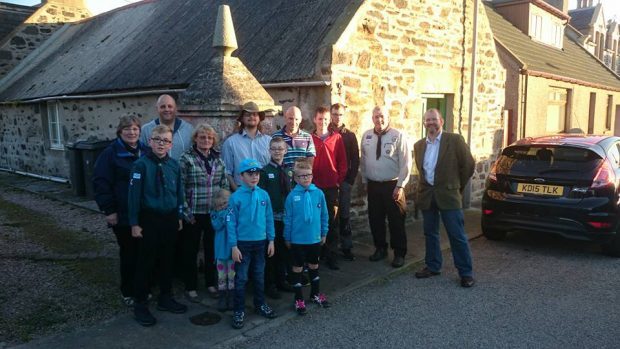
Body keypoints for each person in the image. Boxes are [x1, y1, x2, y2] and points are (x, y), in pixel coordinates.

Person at [128, 125, 187, 326]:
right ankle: (140, 304)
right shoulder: (140, 166)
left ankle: (165, 297)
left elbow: (179, 192)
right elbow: (133, 197)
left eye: (166, 141)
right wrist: (134, 223)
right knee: (146, 262)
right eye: (158, 140)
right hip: (149, 219)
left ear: (171, 144)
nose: (162, 144)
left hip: (169, 218)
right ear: (150, 141)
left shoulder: (174, 165)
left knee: (167, 259)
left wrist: (179, 215)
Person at [413, 108, 476, 288]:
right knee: (430, 233)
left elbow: (468, 166)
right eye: (427, 120)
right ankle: (433, 266)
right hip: (427, 195)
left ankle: (466, 273)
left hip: (449, 195)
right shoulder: (419, 145)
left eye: (434, 119)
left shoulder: (454, 140)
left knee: (457, 235)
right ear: (424, 123)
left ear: (441, 121)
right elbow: (422, 171)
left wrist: (457, 186)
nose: (431, 123)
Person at [93, 114, 149, 307]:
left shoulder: (146, 151)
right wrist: (109, 211)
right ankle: (128, 291)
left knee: (144, 253)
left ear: (140, 132)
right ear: (120, 131)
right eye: (127, 129)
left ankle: (143, 287)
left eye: (135, 129)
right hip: (123, 213)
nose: (131, 132)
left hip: (145, 213)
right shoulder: (111, 154)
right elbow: (101, 183)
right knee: (129, 252)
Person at [179, 124, 229, 302]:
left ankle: (210, 283)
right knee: (190, 251)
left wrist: (222, 207)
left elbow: (223, 185)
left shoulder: (218, 160)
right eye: (202, 137)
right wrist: (185, 212)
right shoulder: (186, 158)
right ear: (195, 139)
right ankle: (190, 286)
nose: (206, 140)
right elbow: (181, 187)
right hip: (193, 213)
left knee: (211, 250)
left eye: (209, 138)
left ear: (213, 140)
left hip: (213, 213)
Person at [227, 158, 277, 329]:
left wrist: (271, 239)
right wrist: (233, 246)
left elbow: (269, 217)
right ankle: (239, 309)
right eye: (250, 173)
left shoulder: (264, 195)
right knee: (241, 278)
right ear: (241, 176)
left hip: (261, 242)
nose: (254, 177)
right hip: (242, 244)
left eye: (256, 173)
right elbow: (231, 223)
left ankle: (260, 304)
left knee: (259, 275)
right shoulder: (235, 198)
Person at [360, 106, 411, 268]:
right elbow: (364, 160)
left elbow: (406, 163)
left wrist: (401, 186)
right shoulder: (366, 135)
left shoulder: (398, 135)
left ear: (388, 117)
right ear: (372, 118)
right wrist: (365, 181)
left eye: (382, 116)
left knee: (396, 221)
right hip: (374, 185)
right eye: (376, 116)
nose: (379, 119)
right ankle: (380, 248)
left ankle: (399, 253)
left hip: (393, 185)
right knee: (375, 219)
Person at [284, 159, 330, 315]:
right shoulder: (292, 196)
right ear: (296, 178)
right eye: (301, 176)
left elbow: (324, 214)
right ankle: (298, 299)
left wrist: (324, 232)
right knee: (297, 268)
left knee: (314, 266)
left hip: (314, 238)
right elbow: (288, 218)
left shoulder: (319, 193)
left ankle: (315, 294)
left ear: (312, 176)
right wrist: (287, 237)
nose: (305, 178)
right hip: (297, 240)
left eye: (308, 175)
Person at [258, 137, 295, 299]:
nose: (277, 151)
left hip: (286, 218)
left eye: (280, 148)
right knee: (270, 253)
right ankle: (270, 284)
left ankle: (282, 280)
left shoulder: (289, 171)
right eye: (274, 148)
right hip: (271, 218)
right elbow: (262, 196)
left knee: (284, 251)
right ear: (269, 151)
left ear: (285, 150)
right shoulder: (265, 172)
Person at [311, 106, 347, 270]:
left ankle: (332, 255)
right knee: (315, 221)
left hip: (331, 187)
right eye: (320, 118)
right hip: (313, 187)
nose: (323, 122)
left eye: (325, 119)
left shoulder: (337, 138)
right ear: (315, 119)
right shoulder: (309, 138)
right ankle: (316, 255)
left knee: (332, 222)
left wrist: (338, 181)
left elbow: (342, 162)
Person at [329, 103, 359, 261]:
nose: (337, 117)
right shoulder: (325, 133)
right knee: (330, 216)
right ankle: (329, 248)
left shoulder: (350, 135)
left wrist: (350, 180)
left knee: (345, 215)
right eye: (335, 114)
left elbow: (355, 159)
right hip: (329, 182)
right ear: (330, 114)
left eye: (340, 114)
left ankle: (347, 247)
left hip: (345, 182)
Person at [221, 102, 272, 190]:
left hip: (266, 189)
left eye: (255, 114)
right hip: (241, 189)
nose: (251, 117)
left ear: (259, 118)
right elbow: (227, 172)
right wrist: (237, 191)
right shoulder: (230, 142)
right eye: (247, 115)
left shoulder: (269, 141)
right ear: (242, 118)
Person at [140, 94, 193, 160]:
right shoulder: (146, 130)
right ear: (157, 108)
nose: (167, 109)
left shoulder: (189, 129)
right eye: (162, 107)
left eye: (170, 106)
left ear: (176, 108)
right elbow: (141, 155)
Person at [211, 189, 235, 312]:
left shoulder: (233, 212)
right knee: (221, 276)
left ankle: (231, 297)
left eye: (225, 203)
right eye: (219, 205)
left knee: (232, 275)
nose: (222, 207)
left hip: (231, 251)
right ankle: (222, 297)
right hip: (220, 251)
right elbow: (217, 226)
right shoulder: (215, 214)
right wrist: (223, 215)